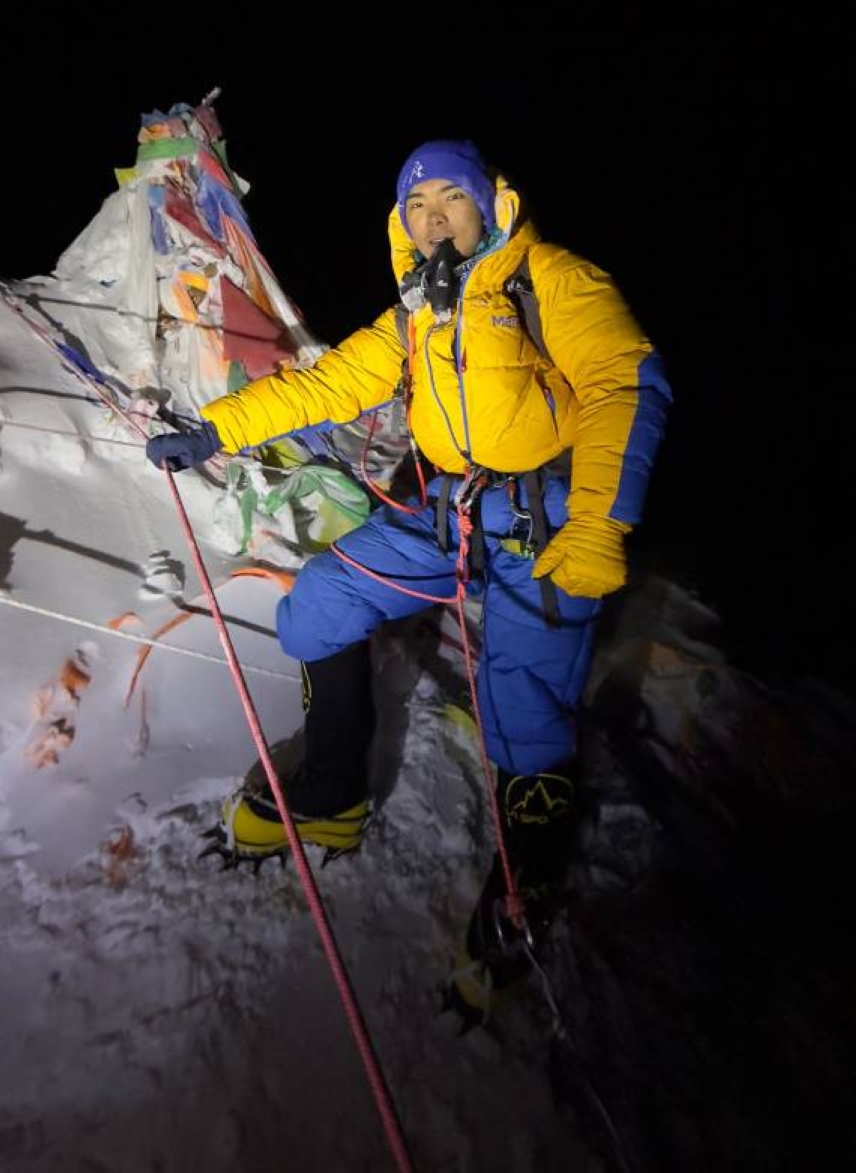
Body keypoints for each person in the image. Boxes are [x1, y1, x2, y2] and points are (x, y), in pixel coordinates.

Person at [146, 139, 671, 1020]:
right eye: (417, 208)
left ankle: (521, 900)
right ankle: (331, 793)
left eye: (449, 201)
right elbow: (325, 386)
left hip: (545, 526)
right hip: (450, 515)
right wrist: (215, 431)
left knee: (525, 706)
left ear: (490, 206)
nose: (433, 218)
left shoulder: (552, 280)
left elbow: (630, 381)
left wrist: (597, 525)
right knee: (318, 604)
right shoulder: (416, 317)